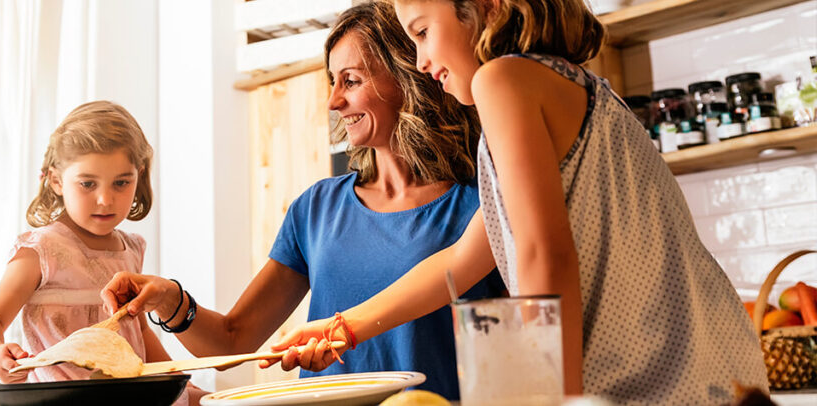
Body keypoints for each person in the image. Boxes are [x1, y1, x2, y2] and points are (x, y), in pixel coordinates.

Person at [268, 0, 769, 404]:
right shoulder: (571, 86)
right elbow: (461, 260)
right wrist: (343, 328)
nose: (420, 61)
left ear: (487, 6)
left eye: (422, 31)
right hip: (720, 374)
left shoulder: (502, 80)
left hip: (662, 386)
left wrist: (550, 399)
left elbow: (542, 255)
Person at [99, 2, 506, 400]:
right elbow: (232, 340)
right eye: (332, 82)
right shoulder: (317, 209)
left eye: (350, 80)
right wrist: (170, 299)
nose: (332, 101)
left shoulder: (481, 200)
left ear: (407, 74)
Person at [0, 101, 204, 405]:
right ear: (56, 181)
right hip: (62, 400)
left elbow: (141, 333)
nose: (105, 199)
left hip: (130, 397)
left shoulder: (130, 249)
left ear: (140, 175)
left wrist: (179, 384)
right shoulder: (41, 250)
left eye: (121, 182)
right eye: (87, 184)